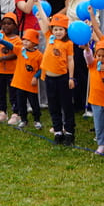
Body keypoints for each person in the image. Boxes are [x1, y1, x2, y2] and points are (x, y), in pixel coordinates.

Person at [40, 16, 77, 145]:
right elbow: (45, 22)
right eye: (55, 29)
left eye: (61, 29)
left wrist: (71, 77)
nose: (58, 32)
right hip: (49, 78)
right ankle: (57, 131)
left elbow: (71, 60)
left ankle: (69, 131)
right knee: (53, 105)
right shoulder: (49, 38)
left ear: (66, 31)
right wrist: (38, 5)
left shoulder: (68, 43)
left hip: (62, 78)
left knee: (66, 105)